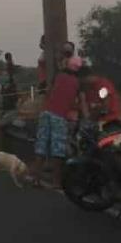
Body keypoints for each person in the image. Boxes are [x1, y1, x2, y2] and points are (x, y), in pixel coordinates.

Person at [31, 55, 83, 188]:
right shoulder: (77, 82)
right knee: (57, 150)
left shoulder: (59, 76)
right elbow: (73, 102)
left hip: (46, 113)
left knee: (41, 146)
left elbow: (50, 92)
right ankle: (56, 181)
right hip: (59, 117)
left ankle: (35, 178)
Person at [81, 65, 121, 130]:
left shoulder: (102, 85)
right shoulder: (91, 87)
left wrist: (92, 116)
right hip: (102, 121)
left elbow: (105, 107)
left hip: (109, 121)